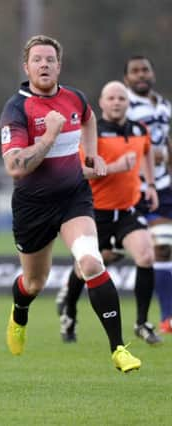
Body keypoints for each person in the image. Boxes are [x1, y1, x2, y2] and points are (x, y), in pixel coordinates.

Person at [0, 35, 140, 372]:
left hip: (73, 199)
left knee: (91, 262)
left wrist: (91, 155)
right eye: (37, 60)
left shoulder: (75, 98)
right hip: (32, 207)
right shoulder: (16, 109)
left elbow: (89, 118)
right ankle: (19, 314)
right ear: (27, 67)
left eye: (50, 59)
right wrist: (48, 136)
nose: (44, 65)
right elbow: (13, 165)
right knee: (34, 283)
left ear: (59, 65)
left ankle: (119, 349)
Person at [56, 81, 161, 345]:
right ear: (101, 103)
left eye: (121, 98)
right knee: (85, 267)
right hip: (95, 213)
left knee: (147, 255)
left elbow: (147, 153)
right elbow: (80, 170)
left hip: (127, 211)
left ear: (128, 103)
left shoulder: (139, 129)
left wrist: (150, 184)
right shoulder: (92, 133)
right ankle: (69, 312)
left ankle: (142, 322)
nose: (116, 102)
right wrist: (116, 167)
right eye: (111, 98)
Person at [123, 55, 172, 334]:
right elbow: (118, 142)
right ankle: (71, 290)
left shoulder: (164, 105)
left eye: (145, 69)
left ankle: (167, 316)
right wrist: (145, 153)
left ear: (152, 73)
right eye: (135, 71)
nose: (141, 75)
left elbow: (165, 141)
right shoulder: (124, 105)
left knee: (163, 247)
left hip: (161, 187)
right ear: (127, 78)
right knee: (110, 253)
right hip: (130, 189)